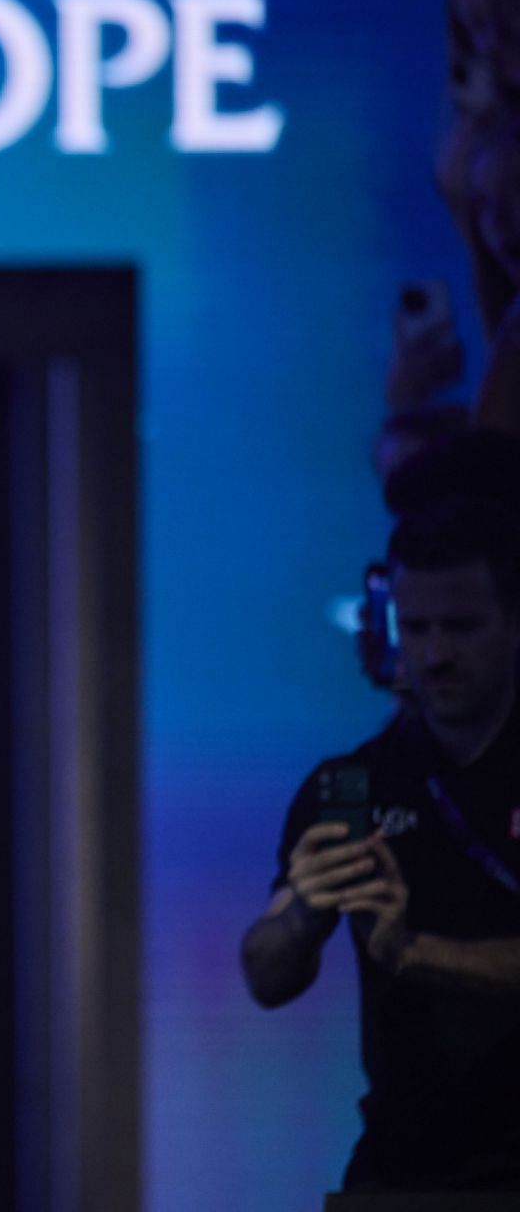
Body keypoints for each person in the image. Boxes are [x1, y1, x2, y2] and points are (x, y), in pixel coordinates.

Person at [241, 497, 520, 1192]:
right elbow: (266, 975)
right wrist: (304, 915)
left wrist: (414, 951)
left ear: (514, 624)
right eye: (414, 625)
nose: (434, 653)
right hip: (403, 1174)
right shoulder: (352, 784)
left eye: (461, 626)